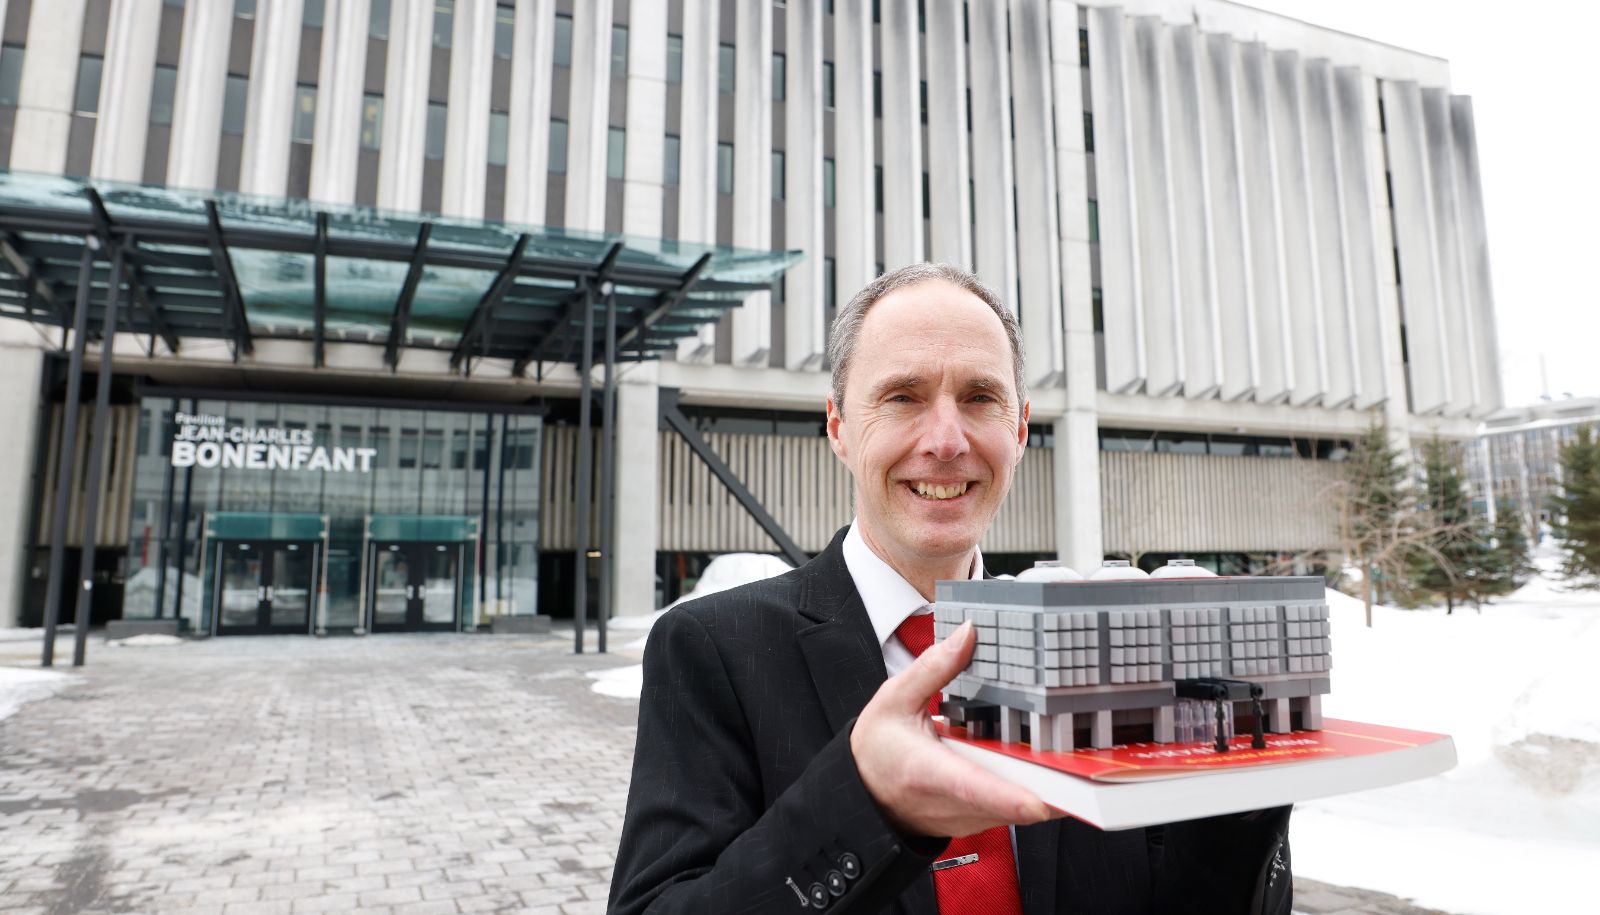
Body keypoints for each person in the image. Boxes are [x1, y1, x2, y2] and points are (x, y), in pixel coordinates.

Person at [609, 264, 1293, 914]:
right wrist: (868, 804)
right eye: (903, 396)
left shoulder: (1094, 652)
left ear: (1019, 428)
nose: (946, 439)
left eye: (979, 397)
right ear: (839, 427)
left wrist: (1236, 780)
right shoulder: (714, 650)